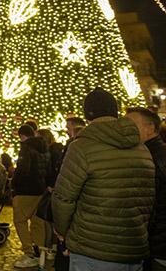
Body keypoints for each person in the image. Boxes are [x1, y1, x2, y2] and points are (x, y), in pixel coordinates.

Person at [53, 88, 155, 270]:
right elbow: (147, 198)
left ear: (88, 115)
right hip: (133, 247)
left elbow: (64, 197)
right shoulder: (141, 149)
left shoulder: (81, 147)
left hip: (92, 248)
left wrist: (62, 232)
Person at [126, 107, 166, 271]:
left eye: (131, 124)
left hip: (157, 245)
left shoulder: (151, 157)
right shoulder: (152, 153)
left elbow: (149, 204)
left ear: (150, 128)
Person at [11, 124, 50, 268]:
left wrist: (14, 184)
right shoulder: (44, 147)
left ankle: (29, 252)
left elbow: (23, 169)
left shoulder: (26, 147)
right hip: (40, 190)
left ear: (22, 136)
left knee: (20, 221)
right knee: (37, 222)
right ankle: (41, 252)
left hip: (25, 190)